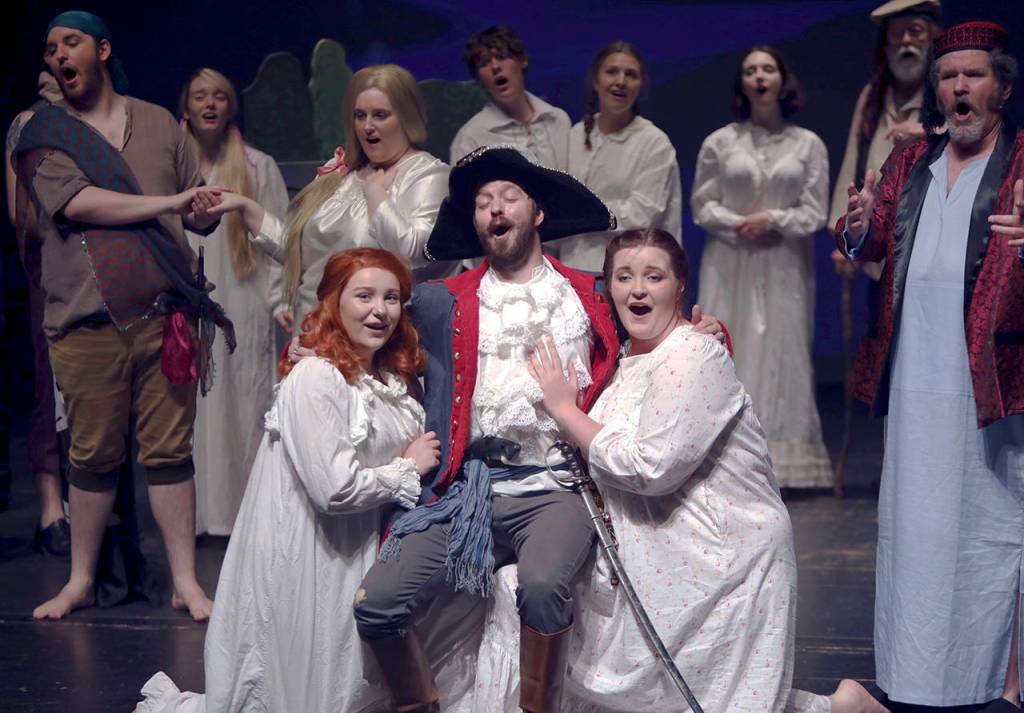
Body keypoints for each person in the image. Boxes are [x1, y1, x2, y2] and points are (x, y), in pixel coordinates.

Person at [475, 228, 884, 713]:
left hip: (720, 554)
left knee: (716, 699)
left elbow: (652, 466)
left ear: (680, 287)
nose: (638, 289)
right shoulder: (624, 363)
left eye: (654, 276)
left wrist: (566, 412)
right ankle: (841, 707)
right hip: (658, 552)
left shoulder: (692, 353)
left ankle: (844, 707)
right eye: (624, 277)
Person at [134, 248, 483, 713]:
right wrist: (407, 467)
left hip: (360, 544)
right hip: (312, 549)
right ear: (335, 302)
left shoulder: (392, 379)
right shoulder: (318, 377)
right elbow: (333, 488)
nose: (379, 310)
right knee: (309, 678)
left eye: (391, 298)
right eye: (364, 296)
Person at [13, 11, 230, 621]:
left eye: (71, 42)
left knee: (169, 452)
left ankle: (186, 582)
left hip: (166, 320)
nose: (59, 54)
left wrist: (205, 212)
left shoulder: (160, 122)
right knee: (92, 456)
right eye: (51, 46)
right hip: (84, 322)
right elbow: (80, 203)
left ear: (102, 50)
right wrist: (171, 204)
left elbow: (192, 205)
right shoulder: (41, 132)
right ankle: (81, 579)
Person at [837, 21, 1024, 710]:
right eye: (949, 77)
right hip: (915, 374)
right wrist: (856, 226)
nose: (959, 87)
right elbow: (873, 235)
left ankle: (998, 683)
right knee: (917, 525)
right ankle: (915, 678)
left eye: (973, 75)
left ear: (1001, 86)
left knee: (991, 526)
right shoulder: (910, 160)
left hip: (993, 381)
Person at [692, 46, 833, 490]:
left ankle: (787, 464)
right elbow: (701, 203)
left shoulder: (807, 144)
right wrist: (741, 225)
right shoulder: (720, 141)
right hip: (730, 259)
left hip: (783, 260)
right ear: (742, 83)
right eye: (750, 70)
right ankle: (725, 459)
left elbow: (816, 210)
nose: (759, 77)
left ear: (782, 79)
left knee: (783, 352)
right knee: (729, 348)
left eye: (767, 68)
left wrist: (774, 221)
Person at [216, 64, 452, 328]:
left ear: (408, 117)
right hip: (313, 332)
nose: (367, 126)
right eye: (360, 115)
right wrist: (246, 208)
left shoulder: (427, 174)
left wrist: (375, 194)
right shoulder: (342, 172)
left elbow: (414, 254)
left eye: (380, 115)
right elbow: (303, 255)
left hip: (374, 341)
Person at [178, 67, 289, 535]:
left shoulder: (258, 166)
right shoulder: (171, 166)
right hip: (186, 298)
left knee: (242, 403)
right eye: (200, 95)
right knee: (194, 410)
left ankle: (242, 517)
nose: (210, 104)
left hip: (242, 298)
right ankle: (198, 517)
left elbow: (283, 242)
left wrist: (280, 299)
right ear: (184, 106)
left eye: (219, 96)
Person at [828, 0, 942, 283]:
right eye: (897, 35)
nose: (906, 42)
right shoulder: (874, 95)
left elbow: (974, 137)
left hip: (933, 238)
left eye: (915, 32)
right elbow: (853, 161)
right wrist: (845, 237)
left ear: (932, 38)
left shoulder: (946, 88)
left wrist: (927, 133)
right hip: (879, 244)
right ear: (886, 46)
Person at [5, 71, 69, 555]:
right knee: (49, 381)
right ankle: (52, 507)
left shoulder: (104, 121)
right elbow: (20, 213)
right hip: (50, 264)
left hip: (101, 261)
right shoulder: (27, 124)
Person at [554, 41, 683, 273]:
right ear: (596, 80)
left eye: (630, 74)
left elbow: (643, 213)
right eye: (612, 72)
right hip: (569, 269)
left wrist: (586, 212)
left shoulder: (653, 142)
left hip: (627, 274)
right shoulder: (573, 136)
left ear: (641, 85)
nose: (620, 81)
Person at [450, 26, 570, 170]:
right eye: (484, 63)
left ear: (523, 60)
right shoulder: (470, 139)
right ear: (478, 78)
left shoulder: (558, 120)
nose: (495, 67)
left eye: (502, 57)